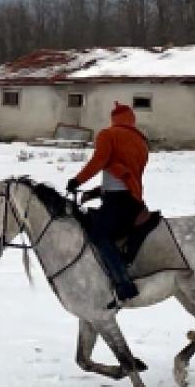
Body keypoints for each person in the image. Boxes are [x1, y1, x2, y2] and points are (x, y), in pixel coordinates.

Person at [67, 101, 149, 306]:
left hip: (118, 201)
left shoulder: (108, 135)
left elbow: (98, 161)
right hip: (132, 199)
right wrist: (96, 192)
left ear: (114, 119)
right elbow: (124, 174)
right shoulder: (140, 140)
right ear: (132, 119)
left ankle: (124, 285)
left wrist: (77, 181)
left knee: (99, 236)